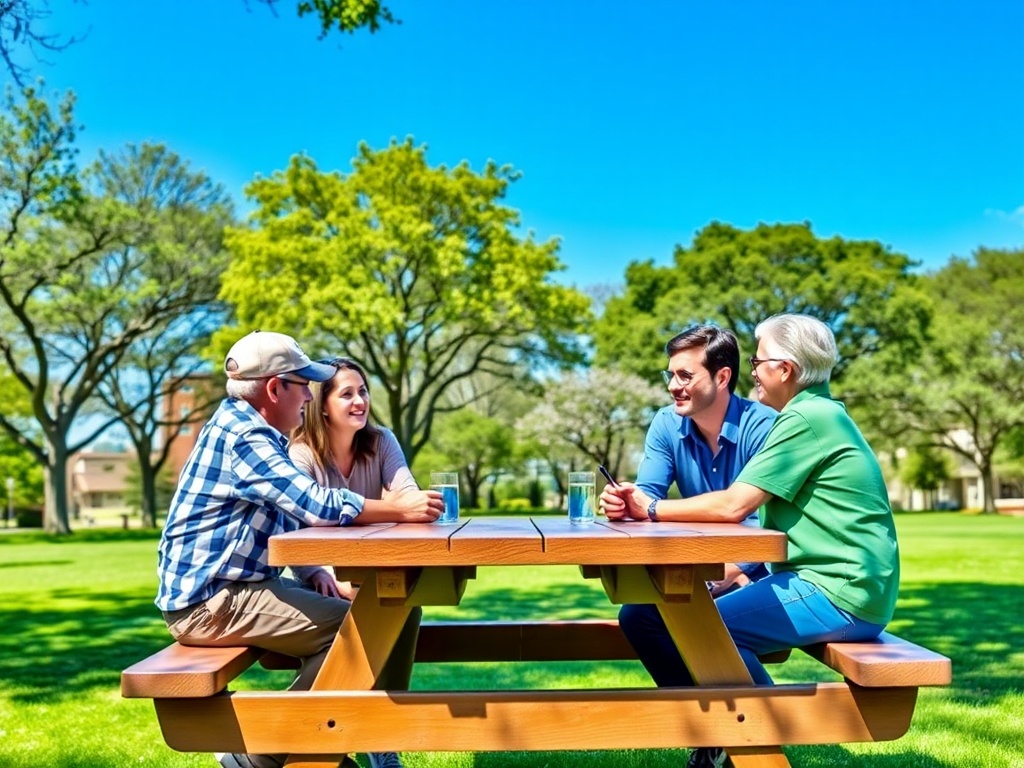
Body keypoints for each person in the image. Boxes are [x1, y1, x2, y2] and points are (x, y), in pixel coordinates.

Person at [602, 314, 900, 768]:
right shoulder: (816, 413)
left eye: (760, 361)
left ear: (786, 370)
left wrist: (653, 509)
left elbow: (734, 506)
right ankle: (728, 739)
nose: (753, 371)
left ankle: (756, 738)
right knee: (650, 617)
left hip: (839, 590)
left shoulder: (804, 419)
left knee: (695, 630)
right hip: (834, 584)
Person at [156, 331, 443, 768]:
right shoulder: (246, 437)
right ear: (275, 389)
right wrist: (399, 509)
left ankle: (320, 739)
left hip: (234, 592)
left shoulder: (250, 430)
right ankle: (270, 750)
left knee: (386, 617)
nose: (308, 395)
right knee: (360, 629)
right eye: (303, 383)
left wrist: (313, 572)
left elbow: (287, 512)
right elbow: (313, 504)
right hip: (211, 603)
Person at [599, 325, 777, 595]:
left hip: (762, 575)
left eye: (685, 376)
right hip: (695, 569)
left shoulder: (764, 426)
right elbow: (647, 496)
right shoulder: (665, 423)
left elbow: (771, 522)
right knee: (635, 617)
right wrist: (624, 502)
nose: (673, 386)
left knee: (688, 622)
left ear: (722, 378)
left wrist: (731, 570)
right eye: (670, 375)